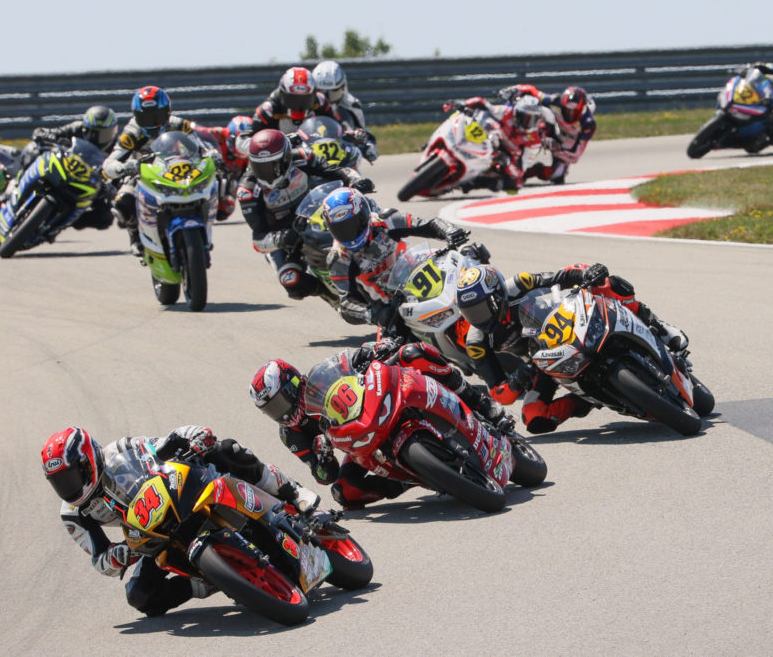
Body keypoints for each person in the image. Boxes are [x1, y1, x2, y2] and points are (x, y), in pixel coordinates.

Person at [41, 424, 320, 617]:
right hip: (149, 537)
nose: (69, 488)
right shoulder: (73, 513)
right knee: (139, 596)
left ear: (89, 460)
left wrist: (192, 435)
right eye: (60, 483)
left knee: (226, 450)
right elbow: (100, 560)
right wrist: (122, 554)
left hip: (177, 495)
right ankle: (211, 581)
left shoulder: (119, 450)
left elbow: (162, 444)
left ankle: (293, 492)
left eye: (71, 477)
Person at [249, 339, 513, 510]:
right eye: (271, 410)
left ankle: (477, 401)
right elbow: (322, 476)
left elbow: (351, 361)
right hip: (361, 445)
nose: (281, 414)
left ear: (294, 384)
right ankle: (408, 480)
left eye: (280, 403)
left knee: (413, 353)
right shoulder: (292, 435)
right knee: (343, 492)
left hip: (376, 406)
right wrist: (322, 457)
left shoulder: (319, 379)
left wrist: (375, 349)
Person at [455, 262, 689, 434]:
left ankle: (660, 326)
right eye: (469, 313)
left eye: (479, 309)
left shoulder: (518, 284)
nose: (476, 318)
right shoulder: (477, 342)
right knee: (534, 417)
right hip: (543, 362)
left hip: (567, 321)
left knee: (607, 283)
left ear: (496, 296)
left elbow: (562, 276)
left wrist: (586, 273)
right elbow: (498, 393)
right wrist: (517, 379)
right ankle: (585, 399)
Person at [235, 128, 375, 300]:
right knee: (291, 281)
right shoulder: (248, 191)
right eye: (259, 167)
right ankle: (333, 298)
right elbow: (258, 239)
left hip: (314, 212)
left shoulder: (302, 157)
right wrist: (282, 238)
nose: (266, 172)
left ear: (285, 159)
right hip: (285, 236)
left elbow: (337, 170)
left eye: (272, 165)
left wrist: (356, 180)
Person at [321, 186, 470, 326]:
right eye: (339, 228)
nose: (348, 233)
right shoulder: (339, 259)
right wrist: (371, 314)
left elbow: (429, 225)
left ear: (364, 214)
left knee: (468, 259)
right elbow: (346, 303)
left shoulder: (386, 220)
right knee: (403, 352)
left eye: (352, 224)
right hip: (393, 308)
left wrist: (450, 231)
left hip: (422, 273)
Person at [102, 86, 201, 256]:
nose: (153, 122)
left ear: (167, 112)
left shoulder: (180, 125)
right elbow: (111, 160)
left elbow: (201, 148)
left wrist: (212, 155)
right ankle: (135, 235)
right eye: (145, 117)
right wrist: (122, 167)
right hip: (143, 172)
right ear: (136, 116)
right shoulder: (132, 132)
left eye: (157, 116)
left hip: (177, 171)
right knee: (122, 202)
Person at [20, 105, 121, 231]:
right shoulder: (76, 128)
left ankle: (63, 222)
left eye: (105, 134)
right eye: (94, 133)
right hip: (64, 169)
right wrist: (47, 135)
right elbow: (42, 131)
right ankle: (20, 183)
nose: (99, 139)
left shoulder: (117, 148)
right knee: (33, 149)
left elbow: (119, 175)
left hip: (89, 184)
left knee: (105, 218)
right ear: (85, 129)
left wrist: (113, 188)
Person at [498, 84, 597, 184]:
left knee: (556, 175)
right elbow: (532, 91)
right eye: (566, 110)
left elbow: (575, 156)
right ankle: (505, 127)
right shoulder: (555, 100)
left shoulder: (588, 124)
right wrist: (516, 89)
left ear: (581, 110)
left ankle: (528, 172)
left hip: (566, 143)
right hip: (551, 127)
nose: (569, 114)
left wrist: (556, 149)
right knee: (531, 106)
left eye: (573, 112)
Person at [454, 94, 546, 191]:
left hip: (501, 157)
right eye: (525, 117)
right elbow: (483, 103)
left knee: (512, 184)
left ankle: (466, 183)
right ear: (517, 113)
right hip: (486, 138)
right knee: (466, 118)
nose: (528, 123)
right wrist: (465, 104)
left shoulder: (534, 141)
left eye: (532, 119)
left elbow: (520, 171)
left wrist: (507, 163)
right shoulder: (505, 112)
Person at [240, 66, 337, 139]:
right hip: (279, 159)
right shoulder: (268, 110)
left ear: (313, 94)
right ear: (283, 94)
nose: (299, 105)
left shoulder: (321, 102)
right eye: (293, 99)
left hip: (313, 154)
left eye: (305, 100)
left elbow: (335, 129)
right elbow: (246, 139)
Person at [311, 60, 379, 162]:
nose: (326, 100)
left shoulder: (350, 106)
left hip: (343, 158)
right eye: (321, 93)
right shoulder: (306, 106)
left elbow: (362, 131)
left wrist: (368, 145)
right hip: (311, 157)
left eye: (333, 94)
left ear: (343, 89)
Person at [192, 114, 253, 220]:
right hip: (210, 169)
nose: (241, 146)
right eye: (237, 141)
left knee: (226, 209)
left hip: (229, 181)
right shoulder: (219, 133)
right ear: (229, 136)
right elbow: (196, 130)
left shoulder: (252, 155)